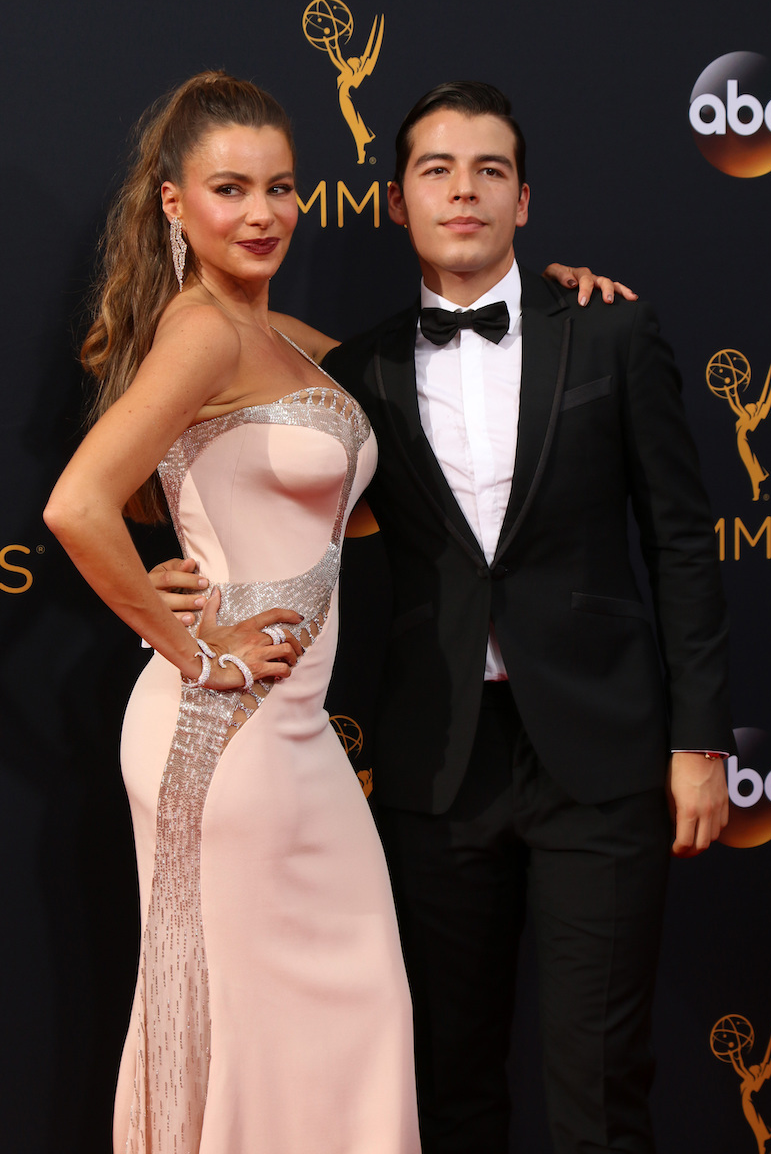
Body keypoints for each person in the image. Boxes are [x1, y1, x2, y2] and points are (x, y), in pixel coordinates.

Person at [320, 83, 732, 1154]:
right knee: (448, 1084)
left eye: (488, 170)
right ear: (396, 201)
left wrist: (696, 740)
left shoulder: (611, 330)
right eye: (435, 170)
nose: (463, 190)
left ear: (524, 199)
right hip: (434, 765)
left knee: (597, 1084)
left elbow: (681, 543)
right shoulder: (349, 371)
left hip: (601, 761)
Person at [44, 71, 421, 1154]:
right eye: (228, 189)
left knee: (341, 1015)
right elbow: (78, 505)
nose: (262, 214)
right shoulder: (202, 331)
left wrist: (548, 298)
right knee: (246, 1027)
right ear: (174, 204)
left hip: (295, 737)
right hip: (224, 734)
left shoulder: (282, 332)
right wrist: (189, 644)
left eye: (282, 188)